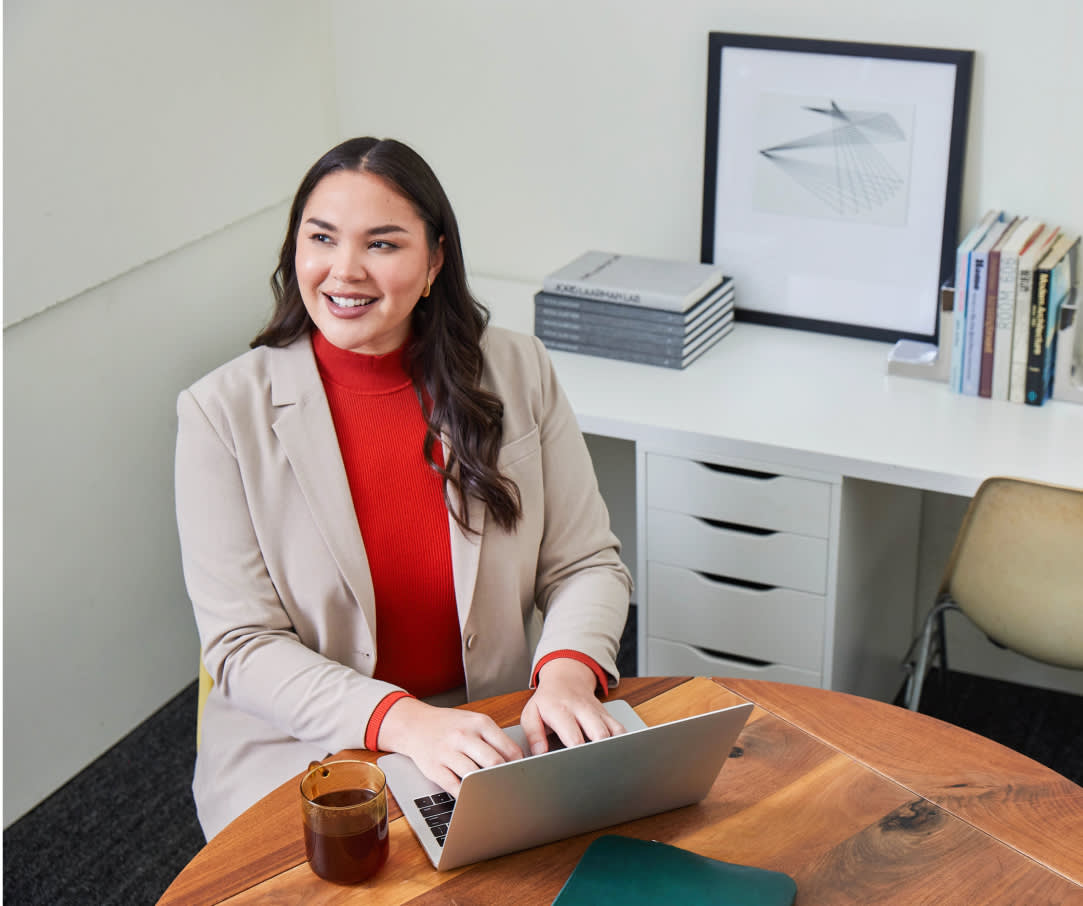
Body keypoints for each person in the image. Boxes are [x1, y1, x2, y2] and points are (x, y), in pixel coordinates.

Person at [175, 137, 632, 840]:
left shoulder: (515, 368)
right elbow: (241, 646)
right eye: (321, 238)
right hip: (307, 744)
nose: (343, 270)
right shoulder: (220, 412)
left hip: (491, 718)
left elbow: (585, 565)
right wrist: (400, 723)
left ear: (434, 260)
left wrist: (566, 673)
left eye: (382, 244)